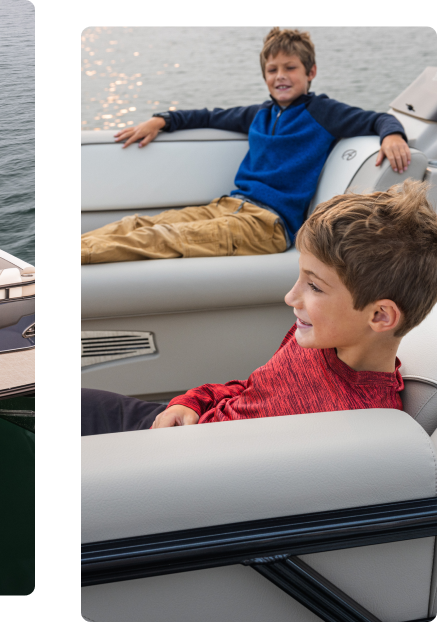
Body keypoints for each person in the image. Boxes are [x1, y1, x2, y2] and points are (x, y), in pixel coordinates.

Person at [81, 181, 437, 436]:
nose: (290, 297)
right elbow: (250, 389)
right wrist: (190, 402)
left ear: (380, 316)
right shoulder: (314, 342)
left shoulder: (362, 425)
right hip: (186, 424)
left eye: (313, 286)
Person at [80, 27, 412, 265]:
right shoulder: (259, 114)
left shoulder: (322, 112)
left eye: (290, 68)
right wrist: (161, 120)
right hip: (228, 206)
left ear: (310, 72)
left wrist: (393, 134)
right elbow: (208, 116)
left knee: (158, 238)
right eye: (272, 70)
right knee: (137, 224)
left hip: (266, 226)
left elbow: (375, 119)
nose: (280, 76)